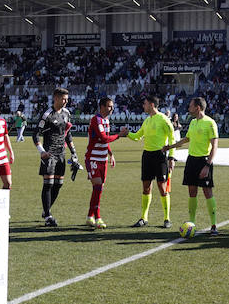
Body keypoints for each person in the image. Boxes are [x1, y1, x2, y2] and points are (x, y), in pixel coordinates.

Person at [171, 96, 220, 234]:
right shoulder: (193, 122)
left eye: (191, 106)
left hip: (204, 161)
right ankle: (192, 223)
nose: (188, 108)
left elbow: (215, 146)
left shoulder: (210, 123)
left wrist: (207, 165)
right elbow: (186, 139)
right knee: (192, 192)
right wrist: (170, 146)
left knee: (207, 192)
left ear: (197, 107)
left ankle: (214, 225)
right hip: (191, 160)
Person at [33, 87, 80, 227]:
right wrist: (42, 151)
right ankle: (48, 216)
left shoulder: (66, 113)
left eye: (67, 99)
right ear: (56, 98)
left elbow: (68, 134)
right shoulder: (47, 114)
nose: (66, 101)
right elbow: (35, 133)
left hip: (61, 154)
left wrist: (73, 152)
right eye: (63, 99)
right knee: (48, 184)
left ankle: (46, 210)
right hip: (49, 154)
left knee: (58, 185)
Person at [126, 94, 174, 228]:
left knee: (162, 188)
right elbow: (137, 137)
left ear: (152, 105)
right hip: (147, 156)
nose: (143, 106)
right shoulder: (146, 121)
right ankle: (144, 218)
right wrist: (127, 133)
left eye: (145, 103)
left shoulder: (164, 119)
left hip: (160, 156)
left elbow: (171, 139)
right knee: (146, 187)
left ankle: (167, 218)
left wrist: (171, 158)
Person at [85, 96, 119, 228]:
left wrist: (111, 154)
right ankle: (98, 217)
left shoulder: (106, 120)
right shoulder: (96, 119)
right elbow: (104, 138)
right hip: (93, 158)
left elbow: (104, 142)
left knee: (98, 189)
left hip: (103, 159)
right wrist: (119, 136)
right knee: (98, 187)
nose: (112, 108)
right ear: (102, 107)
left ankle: (89, 217)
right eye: (110, 106)